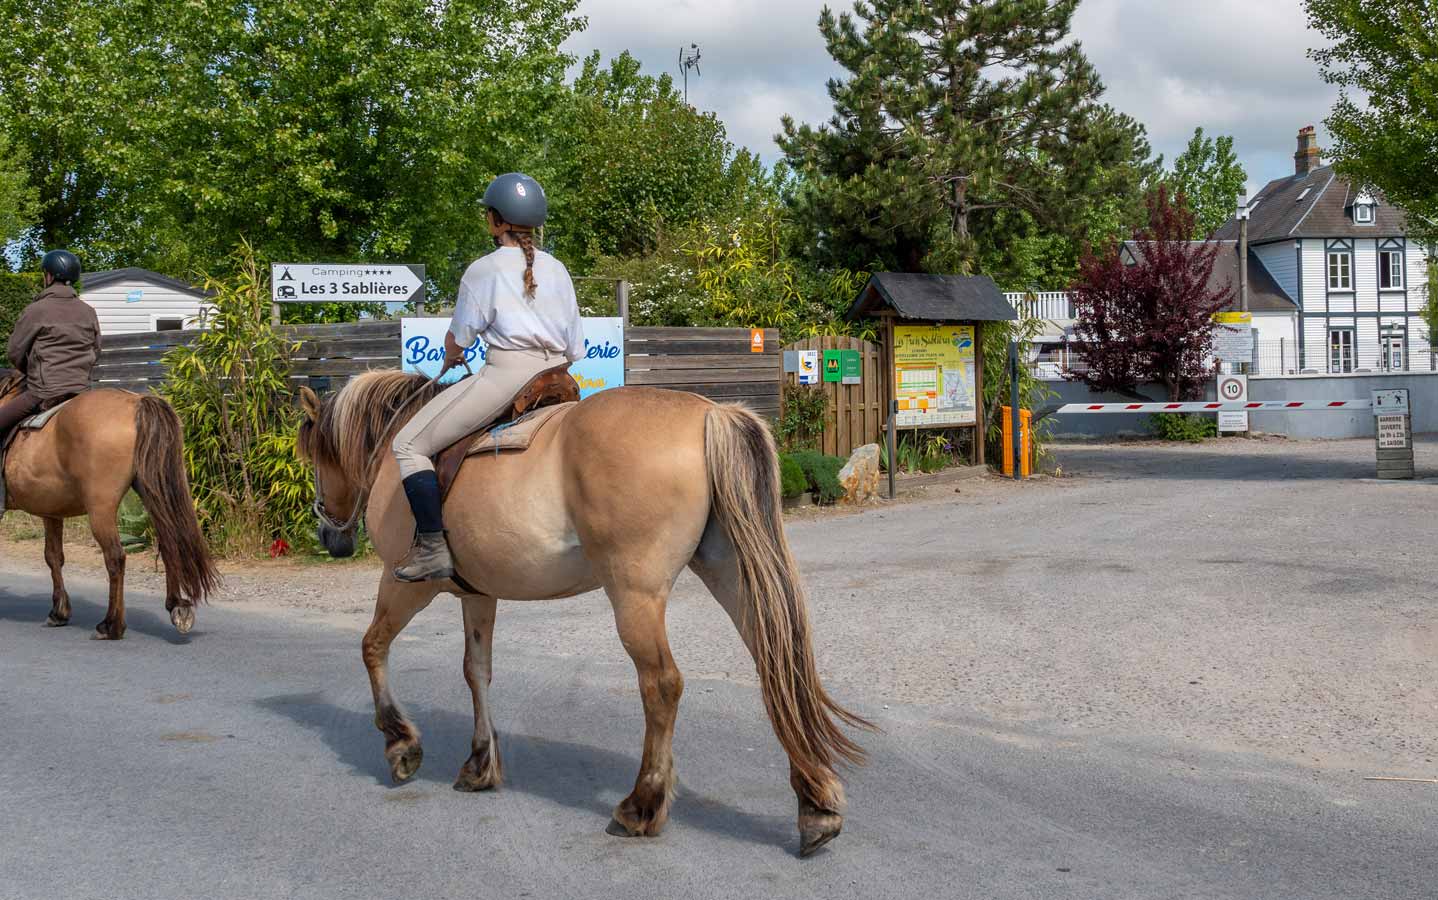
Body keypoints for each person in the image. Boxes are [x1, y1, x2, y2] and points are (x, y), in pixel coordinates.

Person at [390, 173, 584, 582]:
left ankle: (431, 549)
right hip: (559, 377)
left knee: (407, 445)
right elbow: (576, 349)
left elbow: (461, 337)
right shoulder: (560, 269)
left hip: (508, 375)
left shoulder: (483, 270)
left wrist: (452, 351)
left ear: (495, 221)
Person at [0, 249, 101, 442]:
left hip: (43, 391)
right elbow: (96, 350)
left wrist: (29, 371)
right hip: (81, 388)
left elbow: (14, 352)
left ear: (48, 276)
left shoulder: (36, 310)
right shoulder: (88, 311)